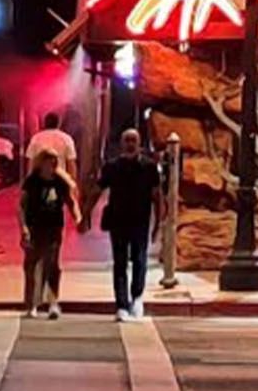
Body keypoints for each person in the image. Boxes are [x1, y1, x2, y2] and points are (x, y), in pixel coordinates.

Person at [96, 128, 163, 322]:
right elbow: (97, 190)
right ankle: (121, 304)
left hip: (140, 221)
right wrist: (85, 215)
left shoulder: (149, 167)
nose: (130, 144)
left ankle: (137, 297)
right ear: (121, 143)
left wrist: (158, 224)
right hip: (118, 221)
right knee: (120, 262)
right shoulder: (112, 167)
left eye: (134, 140)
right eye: (127, 140)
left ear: (139, 143)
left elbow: (157, 196)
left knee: (140, 260)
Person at [20, 149, 80, 320]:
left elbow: (70, 201)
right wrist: (23, 227)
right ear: (41, 163)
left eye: (54, 163)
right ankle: (32, 303)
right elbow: (22, 206)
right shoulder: (32, 181)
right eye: (48, 162)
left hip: (54, 228)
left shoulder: (60, 181)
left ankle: (53, 301)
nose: (51, 166)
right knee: (32, 265)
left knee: (52, 264)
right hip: (34, 227)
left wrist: (78, 218)